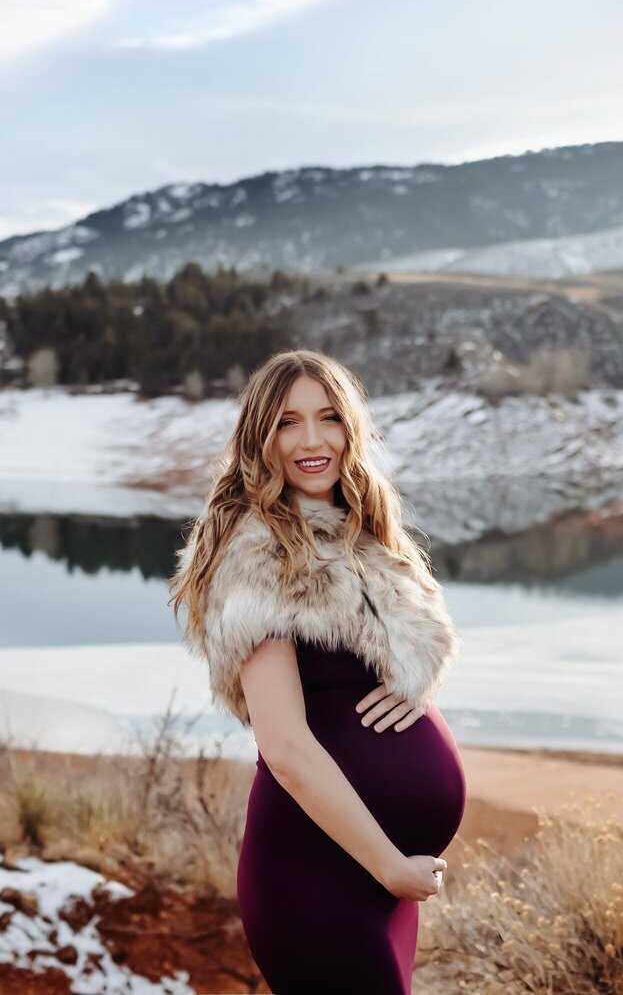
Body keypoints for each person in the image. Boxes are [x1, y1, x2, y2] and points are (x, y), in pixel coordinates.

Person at [168, 348, 466, 994]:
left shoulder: (358, 532)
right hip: (316, 876)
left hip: (378, 878)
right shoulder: (258, 554)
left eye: (328, 418)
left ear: (350, 429)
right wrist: (389, 864)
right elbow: (285, 747)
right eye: (287, 422)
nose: (311, 440)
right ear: (260, 439)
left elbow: (395, 649)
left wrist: (414, 686)